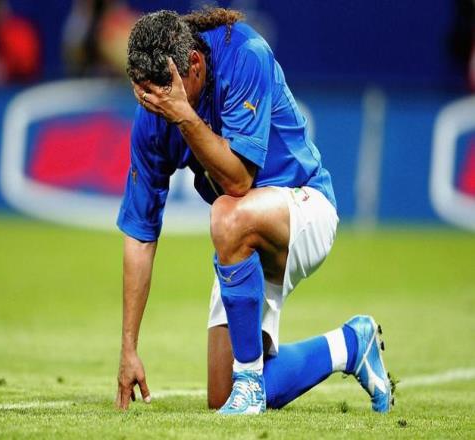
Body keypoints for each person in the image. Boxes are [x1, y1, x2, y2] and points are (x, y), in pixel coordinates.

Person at [115, 8, 394, 415]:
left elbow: (239, 181)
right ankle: (350, 345)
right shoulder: (157, 111)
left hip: (303, 207)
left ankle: (249, 382)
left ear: (194, 64)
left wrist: (185, 116)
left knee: (227, 215)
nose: (157, 107)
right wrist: (129, 348)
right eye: (147, 97)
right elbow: (141, 235)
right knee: (220, 396)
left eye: (164, 94)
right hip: (243, 238)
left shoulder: (245, 54)